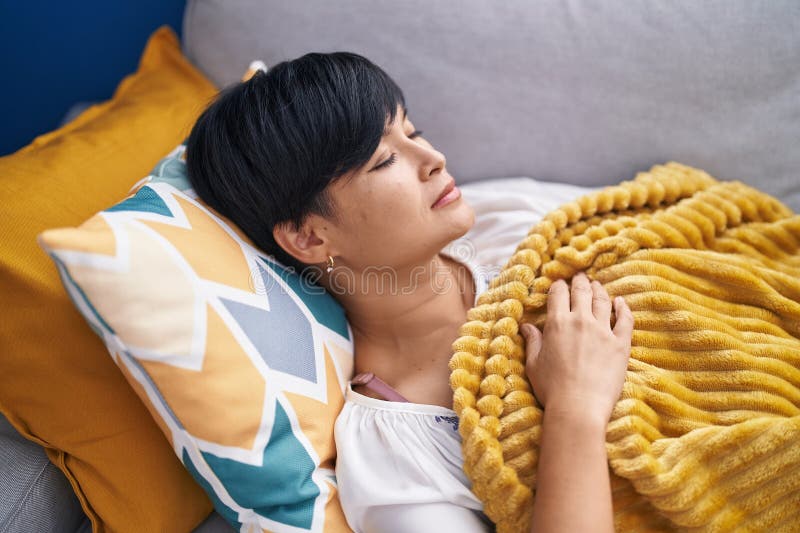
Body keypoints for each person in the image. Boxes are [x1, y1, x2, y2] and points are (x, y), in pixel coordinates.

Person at [186, 51, 634, 533]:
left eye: (412, 131)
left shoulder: (508, 219)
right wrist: (574, 408)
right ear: (311, 238)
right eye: (385, 160)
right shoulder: (393, 454)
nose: (433, 159)